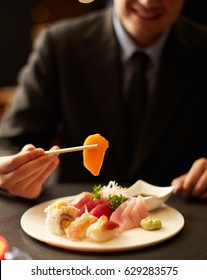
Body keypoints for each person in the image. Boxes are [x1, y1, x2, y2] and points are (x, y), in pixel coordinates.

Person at [0, 0, 207, 200]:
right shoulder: (60, 43)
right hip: (73, 221)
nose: (147, 2)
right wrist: (15, 174)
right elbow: (8, 143)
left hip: (182, 219)